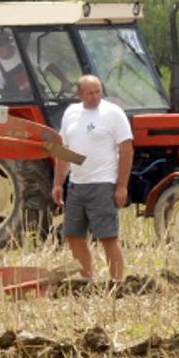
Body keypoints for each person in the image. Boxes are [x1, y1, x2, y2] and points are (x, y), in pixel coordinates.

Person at [51, 74, 133, 282]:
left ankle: (117, 283)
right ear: (79, 94)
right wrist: (58, 183)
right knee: (72, 234)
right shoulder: (71, 113)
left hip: (103, 183)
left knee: (107, 236)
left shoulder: (113, 113)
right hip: (77, 185)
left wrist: (121, 186)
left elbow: (126, 150)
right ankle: (86, 279)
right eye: (90, 93)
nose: (95, 97)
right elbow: (64, 151)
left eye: (98, 92)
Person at [0, 31, 72, 95]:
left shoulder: (26, 55)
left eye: (1, 45)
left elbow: (49, 66)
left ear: (8, 44)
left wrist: (64, 81)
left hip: (39, 99)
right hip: (21, 107)